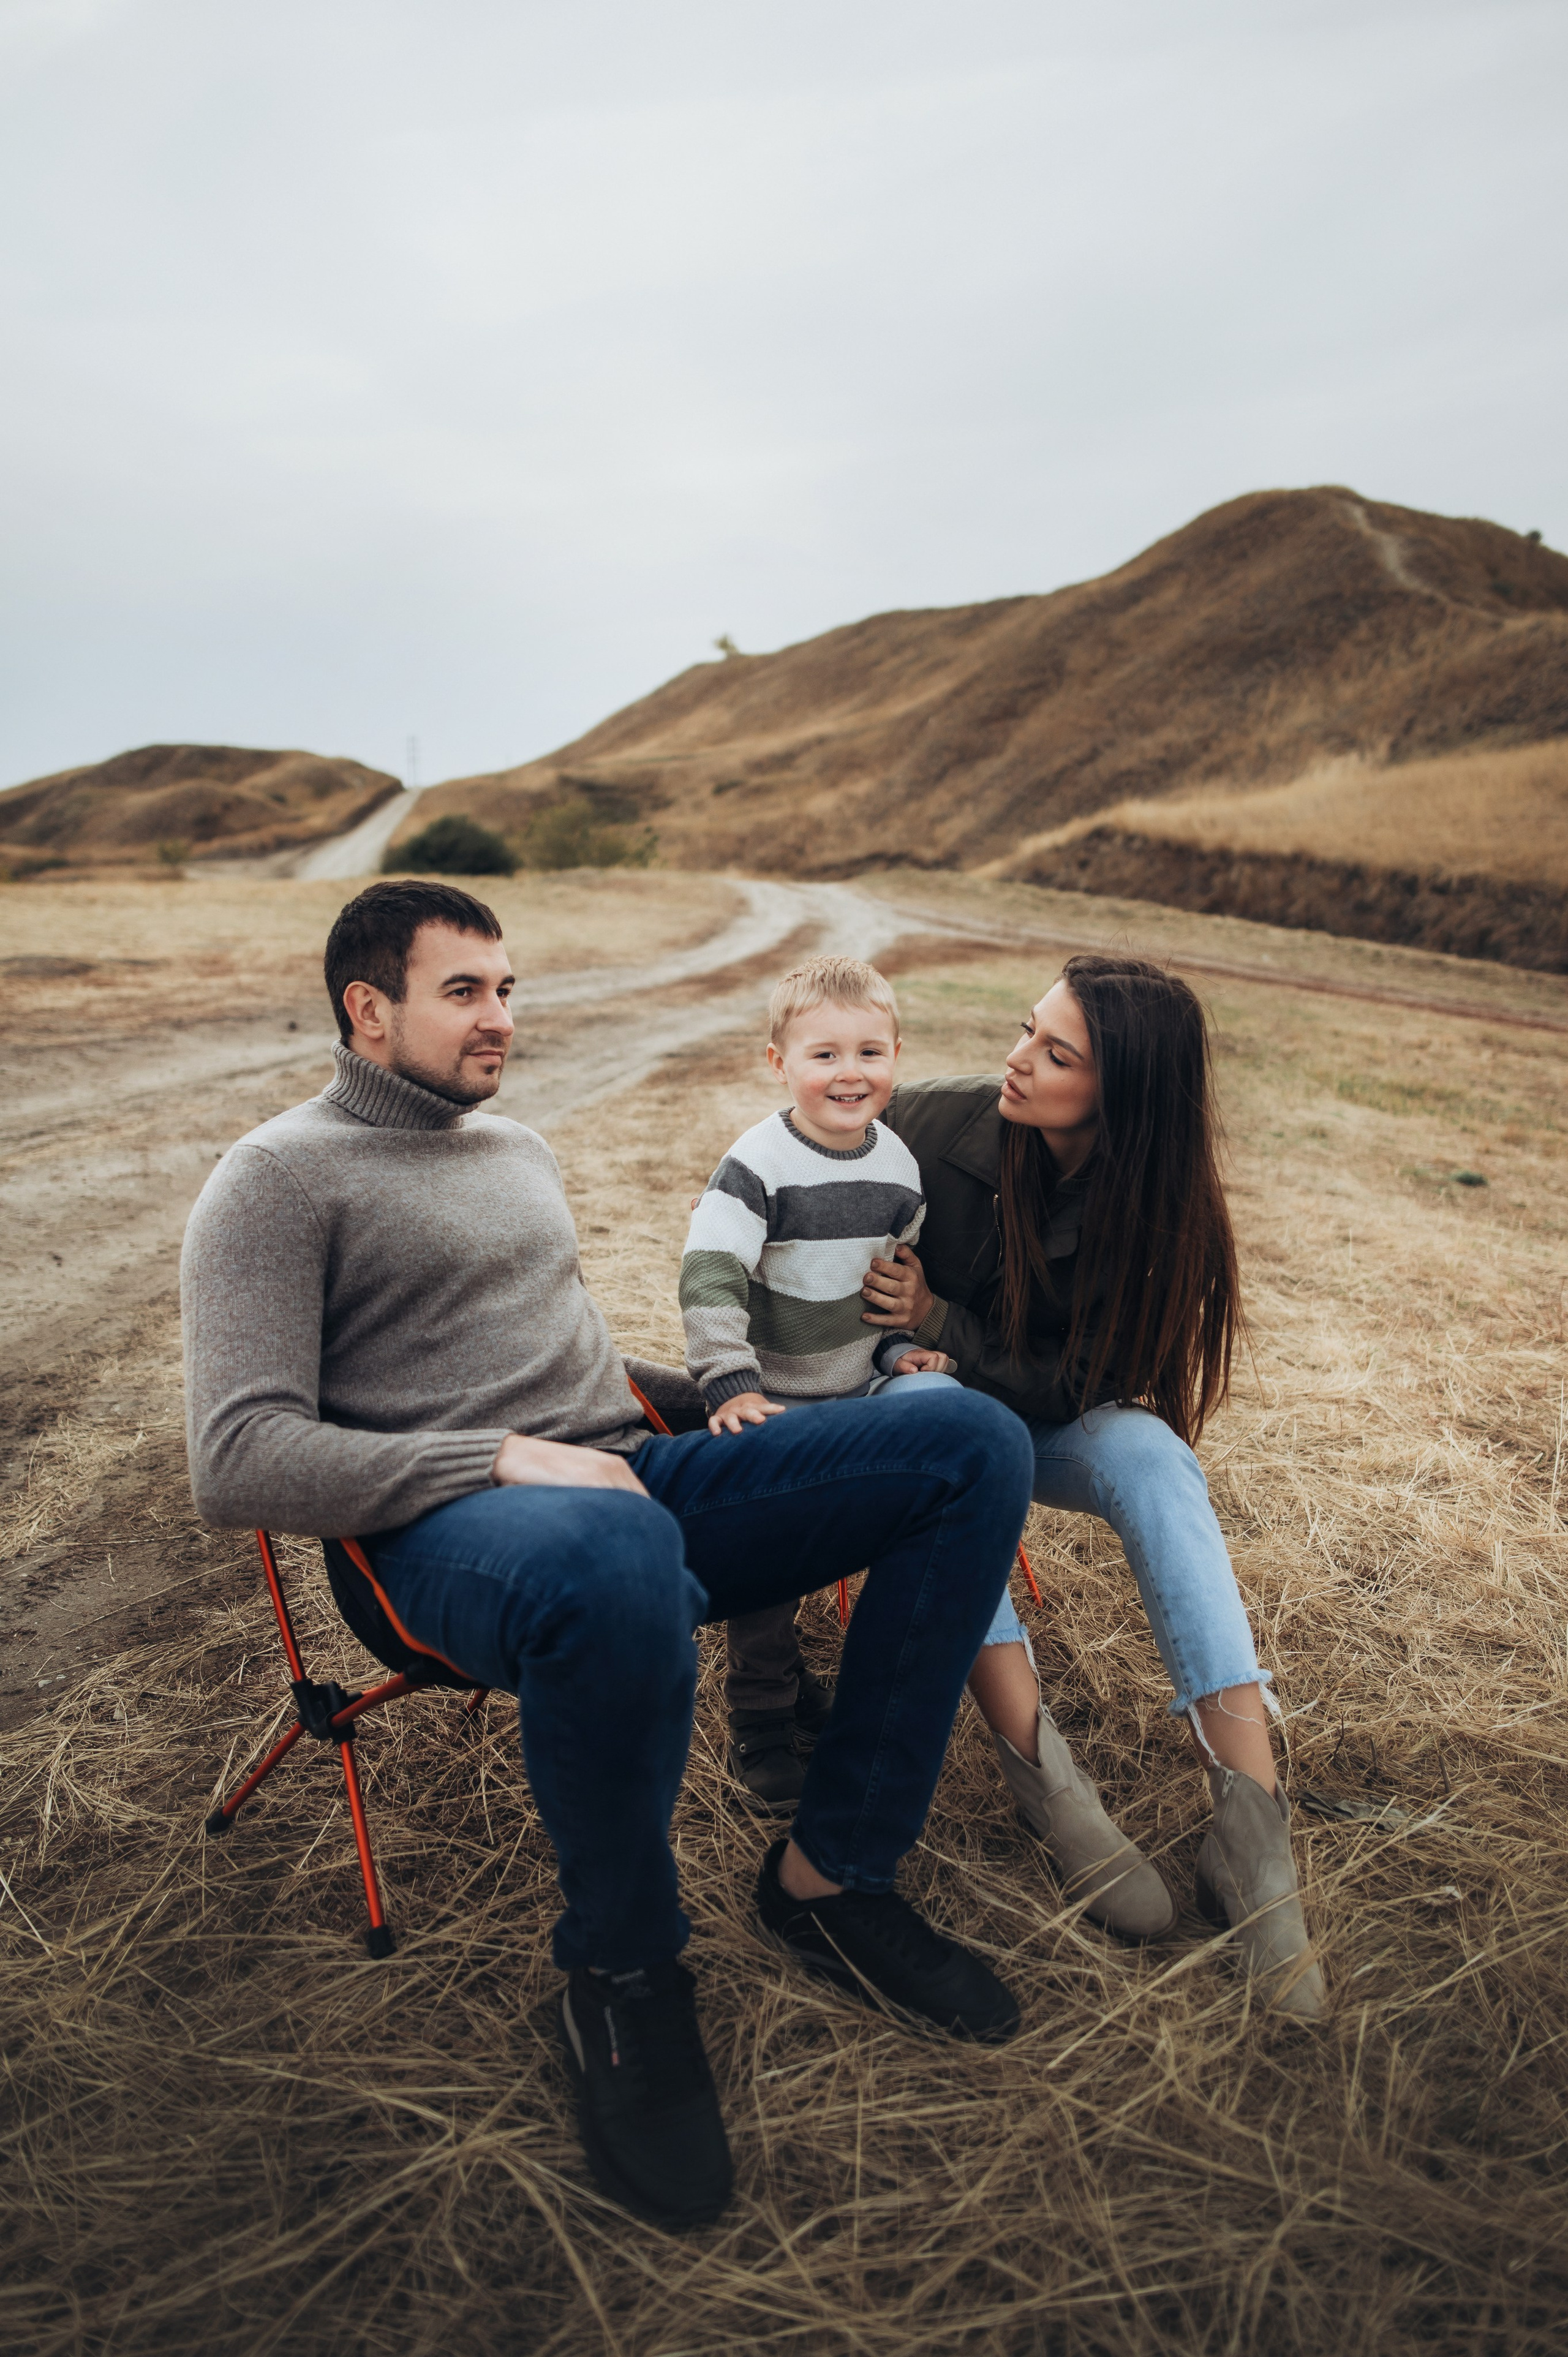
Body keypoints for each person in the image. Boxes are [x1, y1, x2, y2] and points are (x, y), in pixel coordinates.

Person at [180, 880, 1036, 2236]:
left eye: (507, 989)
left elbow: (573, 1372)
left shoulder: (511, 1147)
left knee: (970, 1446)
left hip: (622, 1475)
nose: (501, 1017)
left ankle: (831, 1878)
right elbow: (238, 1458)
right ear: (367, 1009)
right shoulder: (276, 1178)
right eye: (464, 991)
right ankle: (624, 1977)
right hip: (434, 1541)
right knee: (617, 1534)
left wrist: (727, 1406)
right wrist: (493, 1458)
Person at [862, 953, 1328, 2019]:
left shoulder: (1159, 1206)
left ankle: (1252, 1836)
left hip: (1038, 1408)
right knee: (943, 1428)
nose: (1016, 1059)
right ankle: (1050, 1786)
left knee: (1156, 1456)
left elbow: (1091, 1381)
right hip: (919, 1415)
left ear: (1125, 1096)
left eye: (1055, 1053)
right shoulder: (937, 1125)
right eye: (1029, 1029)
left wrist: (941, 1322)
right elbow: (784, 1162)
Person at [679, 955, 957, 1811]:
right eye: (824, 1055)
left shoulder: (901, 1172)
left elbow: (884, 1285)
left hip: (856, 1390)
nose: (849, 1074)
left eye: (870, 1053)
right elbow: (711, 1275)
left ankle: (838, 1689)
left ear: (898, 1057)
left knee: (926, 1467)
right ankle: (760, 1719)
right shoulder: (758, 1166)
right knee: (769, 1563)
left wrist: (896, 1352)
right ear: (780, 1063)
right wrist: (728, 1382)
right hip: (772, 1394)